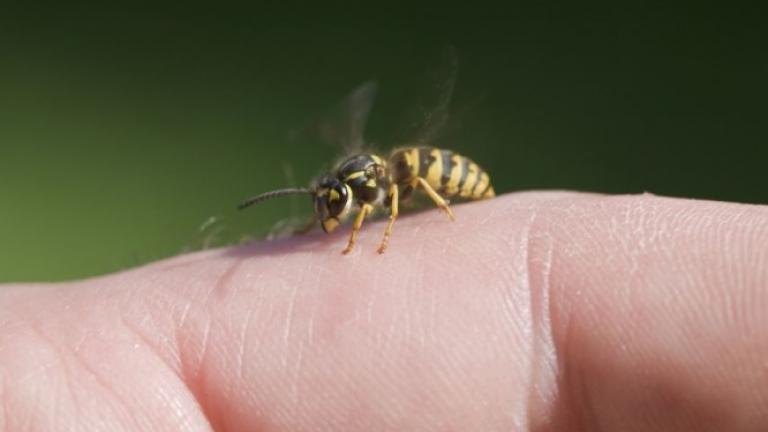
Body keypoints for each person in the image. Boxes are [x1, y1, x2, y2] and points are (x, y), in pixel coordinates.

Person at [1, 192, 766, 431]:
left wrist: (394, 227)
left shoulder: (389, 194)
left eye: (340, 207)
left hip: (440, 187)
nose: (337, 215)